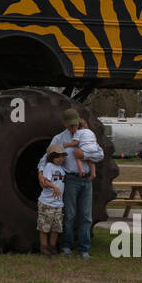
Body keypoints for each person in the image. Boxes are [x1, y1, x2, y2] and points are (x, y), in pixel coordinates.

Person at [50, 108, 104, 258]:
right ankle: (66, 246)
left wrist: (84, 154)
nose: (73, 127)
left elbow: (100, 154)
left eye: (75, 124)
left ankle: (84, 249)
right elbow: (48, 157)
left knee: (86, 216)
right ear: (65, 124)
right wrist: (41, 172)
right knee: (69, 214)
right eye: (71, 125)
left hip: (87, 179)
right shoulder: (59, 139)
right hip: (71, 179)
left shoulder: (86, 134)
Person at [36, 148, 68, 254]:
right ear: (51, 157)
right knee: (44, 227)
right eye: (57, 157)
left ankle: (52, 246)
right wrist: (54, 187)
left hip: (58, 203)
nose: (60, 159)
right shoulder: (49, 166)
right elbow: (45, 182)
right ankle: (44, 247)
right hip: (47, 203)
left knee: (56, 227)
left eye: (62, 156)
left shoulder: (62, 169)